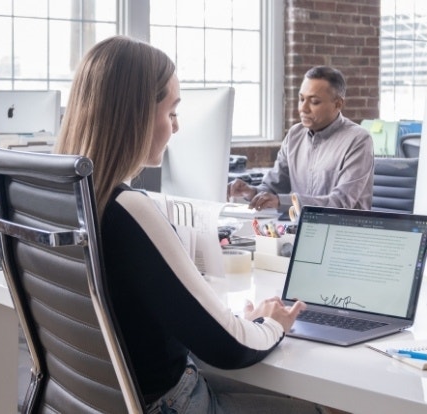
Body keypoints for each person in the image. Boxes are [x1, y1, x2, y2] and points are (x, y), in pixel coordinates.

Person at [56, 36, 331, 413]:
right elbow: (229, 348)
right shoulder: (130, 208)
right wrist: (273, 324)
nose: (177, 127)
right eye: (171, 112)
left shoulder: (64, 202)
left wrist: (242, 324)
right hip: (169, 403)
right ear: (135, 115)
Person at [228, 66, 374, 213]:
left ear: (338, 104)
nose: (303, 108)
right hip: (300, 230)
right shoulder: (294, 135)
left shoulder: (358, 140)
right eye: (301, 99)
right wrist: (251, 192)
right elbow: (273, 187)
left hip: (341, 232)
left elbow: (340, 203)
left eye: (314, 101)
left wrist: (281, 201)